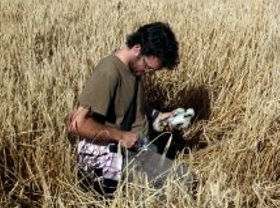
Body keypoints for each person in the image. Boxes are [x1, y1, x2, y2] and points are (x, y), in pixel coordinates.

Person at [67, 22, 193, 196]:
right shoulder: (108, 72)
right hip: (114, 157)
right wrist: (120, 136)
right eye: (148, 67)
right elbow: (78, 124)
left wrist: (163, 118)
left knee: (187, 180)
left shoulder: (134, 70)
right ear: (137, 48)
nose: (148, 72)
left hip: (138, 148)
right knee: (180, 189)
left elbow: (136, 108)